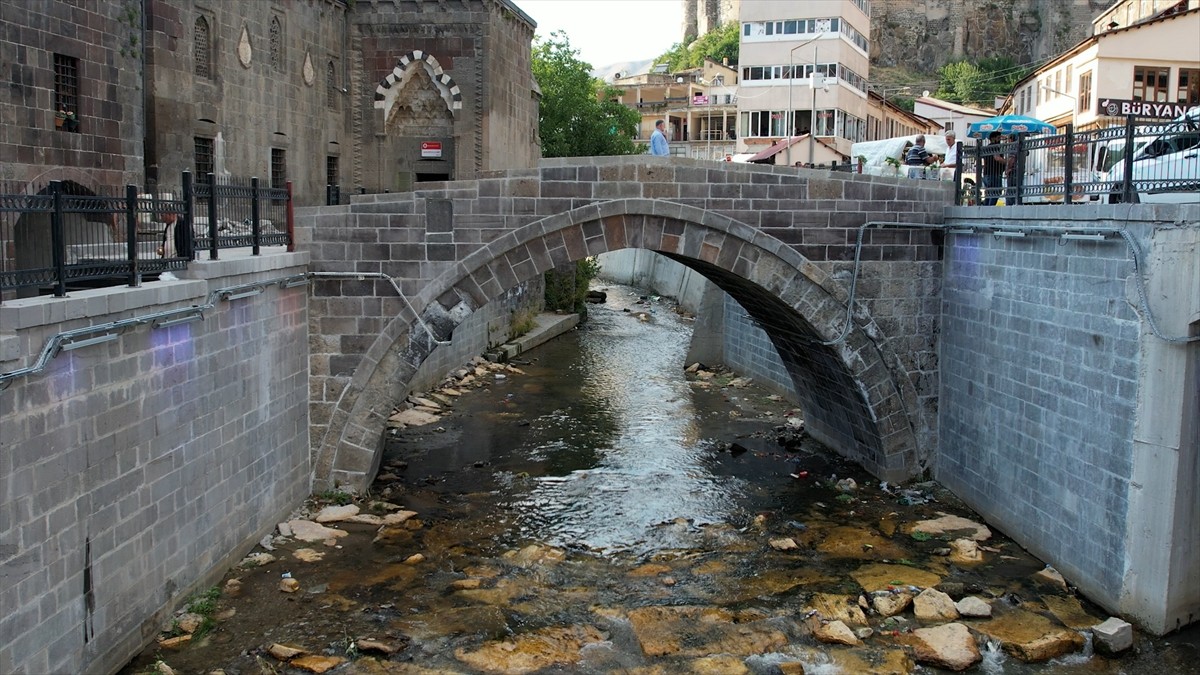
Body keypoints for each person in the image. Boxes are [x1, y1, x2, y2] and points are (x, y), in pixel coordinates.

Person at [981, 131, 1006, 206]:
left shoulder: (986, 148)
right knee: (996, 192)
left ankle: (985, 210)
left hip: (987, 173)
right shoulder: (994, 147)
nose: (999, 140)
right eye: (998, 138)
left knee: (989, 194)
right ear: (993, 138)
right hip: (994, 174)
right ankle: (990, 209)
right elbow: (997, 158)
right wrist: (1007, 162)